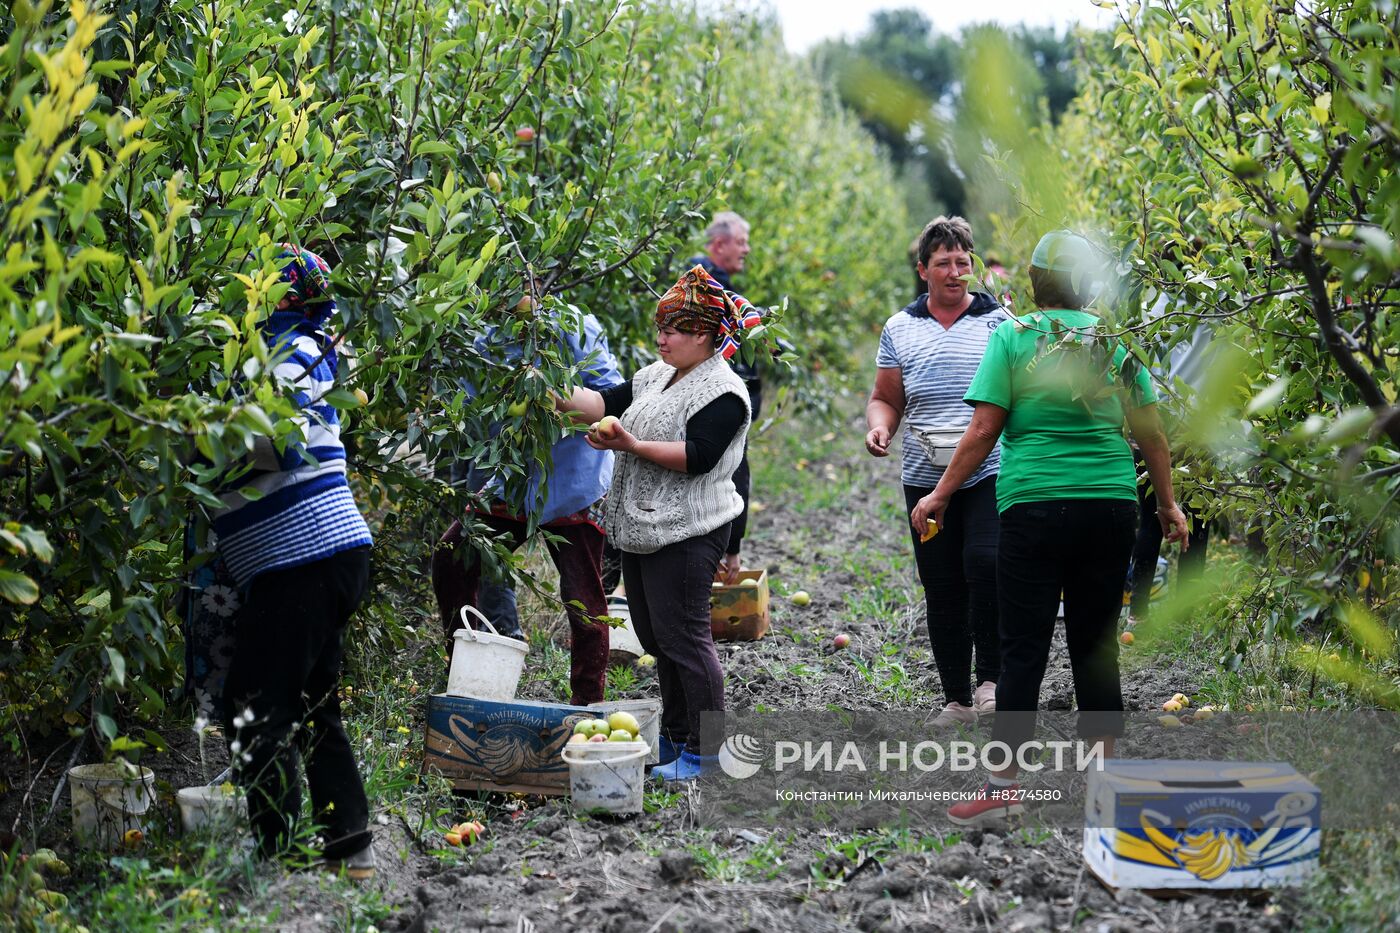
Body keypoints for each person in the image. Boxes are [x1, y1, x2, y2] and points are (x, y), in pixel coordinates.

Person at [907, 230, 1189, 826]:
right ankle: (1106, 787)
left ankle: (1004, 785)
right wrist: (1167, 506)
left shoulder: (1013, 336)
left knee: (1022, 645)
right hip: (1110, 506)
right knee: (1096, 645)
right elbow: (1154, 437)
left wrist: (939, 494)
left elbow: (983, 430)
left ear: (1034, 282)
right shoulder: (1115, 344)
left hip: (1033, 506)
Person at [558, 266, 759, 781]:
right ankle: (674, 738)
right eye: (661, 327)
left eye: (673, 329)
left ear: (706, 335)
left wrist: (630, 444)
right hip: (643, 526)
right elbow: (602, 404)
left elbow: (699, 457)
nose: (662, 337)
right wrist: (552, 391)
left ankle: (707, 751)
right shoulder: (655, 375)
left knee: (686, 637)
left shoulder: (724, 392)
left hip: (691, 529)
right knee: (653, 634)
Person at [217, 245, 376, 877]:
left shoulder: (282, 354)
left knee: (253, 706)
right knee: (313, 706)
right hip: (326, 556)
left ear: (279, 296)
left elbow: (272, 444)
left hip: (301, 557)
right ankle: (349, 846)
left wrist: (196, 448)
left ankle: (277, 858)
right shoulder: (307, 348)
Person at [431, 311, 623, 706]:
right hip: (514, 479)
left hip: (574, 481)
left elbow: (613, 396)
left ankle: (588, 707)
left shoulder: (575, 326)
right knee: (453, 557)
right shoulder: (488, 332)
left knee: (582, 595)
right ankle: (466, 678)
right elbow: (470, 404)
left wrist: (558, 396)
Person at [865, 216, 1011, 727]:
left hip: (989, 470)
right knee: (942, 583)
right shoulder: (900, 328)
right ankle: (957, 699)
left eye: (963, 262)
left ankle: (991, 681)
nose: (955, 272)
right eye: (944, 263)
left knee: (986, 566)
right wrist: (880, 427)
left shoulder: (1000, 323)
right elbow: (886, 397)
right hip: (924, 475)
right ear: (922, 269)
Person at [684, 211, 755, 584]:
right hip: (714, 404)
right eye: (741, 241)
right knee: (730, 474)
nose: (746, 249)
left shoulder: (714, 283)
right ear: (719, 244)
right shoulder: (705, 282)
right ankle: (726, 555)